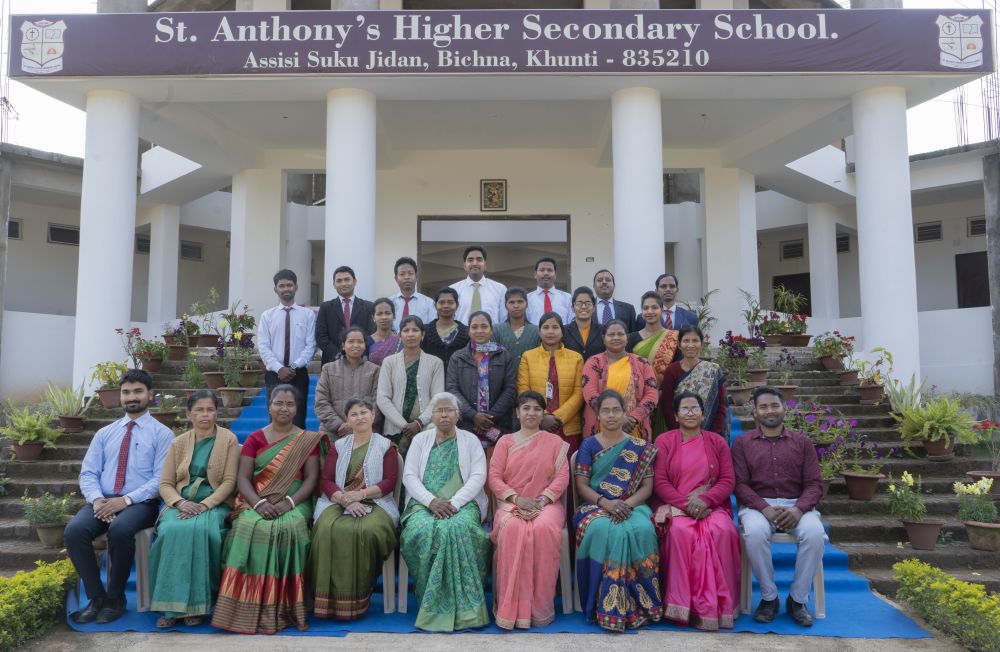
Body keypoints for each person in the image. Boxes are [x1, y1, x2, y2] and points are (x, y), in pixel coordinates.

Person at [211, 385, 323, 634]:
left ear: (297, 409)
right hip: (256, 500)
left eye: (290, 404)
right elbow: (243, 478)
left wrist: (289, 503)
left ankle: (287, 608)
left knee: (290, 526)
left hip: (294, 501)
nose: (284, 408)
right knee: (248, 525)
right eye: (279, 403)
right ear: (269, 406)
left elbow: (311, 479)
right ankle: (242, 607)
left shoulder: (306, 440)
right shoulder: (255, 438)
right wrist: (259, 503)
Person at [67, 369, 175, 625]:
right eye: (126, 392)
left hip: (140, 504)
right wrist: (96, 499)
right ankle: (96, 598)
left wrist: (125, 501)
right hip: (102, 500)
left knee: (120, 530)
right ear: (120, 396)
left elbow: (160, 480)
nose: (131, 397)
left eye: (138, 391)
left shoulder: (162, 434)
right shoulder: (105, 433)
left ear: (150, 394)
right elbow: (89, 473)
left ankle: (115, 599)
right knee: (75, 531)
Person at [731, 386, 826, 628]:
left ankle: (797, 599)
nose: (769, 410)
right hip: (757, 506)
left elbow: (815, 484)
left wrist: (798, 509)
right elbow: (740, 485)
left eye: (774, 405)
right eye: (763, 406)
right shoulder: (742, 444)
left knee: (815, 534)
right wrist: (763, 508)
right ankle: (769, 597)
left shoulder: (803, 443)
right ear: (754, 410)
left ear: (784, 408)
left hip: (797, 504)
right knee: (754, 533)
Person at [149, 390, 241, 628]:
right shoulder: (178, 443)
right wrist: (180, 503)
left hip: (214, 504)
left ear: (217, 412)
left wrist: (204, 505)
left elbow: (230, 482)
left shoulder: (229, 439)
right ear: (189, 414)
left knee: (205, 534)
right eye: (199, 410)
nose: (205, 415)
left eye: (210, 409)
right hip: (181, 503)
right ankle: (170, 608)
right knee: (170, 532)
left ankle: (198, 606)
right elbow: (166, 484)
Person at [400, 392, 491, 632]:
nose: (444, 415)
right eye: (439, 410)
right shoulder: (420, 440)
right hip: (423, 504)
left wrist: (455, 503)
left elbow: (478, 476)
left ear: (458, 415)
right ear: (431, 415)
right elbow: (409, 475)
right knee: (424, 529)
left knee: (458, 527)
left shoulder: (470, 440)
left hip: (463, 503)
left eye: (449, 410)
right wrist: (431, 501)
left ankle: (467, 611)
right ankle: (430, 603)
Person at [573, 390, 663, 632]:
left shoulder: (639, 446)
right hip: (596, 504)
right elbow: (581, 486)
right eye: (605, 410)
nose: (611, 415)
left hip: (633, 504)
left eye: (616, 410)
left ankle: (643, 605)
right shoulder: (589, 445)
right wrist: (606, 503)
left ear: (624, 413)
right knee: (602, 528)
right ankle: (602, 605)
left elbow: (647, 487)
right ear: (597, 414)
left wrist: (627, 504)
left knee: (642, 528)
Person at [652, 391, 741, 631]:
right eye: (685, 409)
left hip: (711, 506)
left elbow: (727, 480)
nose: (690, 414)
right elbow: (660, 482)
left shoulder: (717, 441)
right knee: (680, 533)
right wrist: (685, 504)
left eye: (695, 409)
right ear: (676, 415)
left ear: (703, 414)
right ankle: (683, 607)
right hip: (677, 507)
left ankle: (722, 607)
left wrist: (706, 500)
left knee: (723, 531)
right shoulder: (664, 441)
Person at [310, 397, 399, 620]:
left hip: (376, 502)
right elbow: (326, 481)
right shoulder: (338, 447)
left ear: (373, 415)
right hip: (338, 501)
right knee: (326, 529)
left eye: (364, 412)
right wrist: (345, 499)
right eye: (354, 414)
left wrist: (360, 495)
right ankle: (326, 602)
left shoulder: (386, 446)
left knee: (365, 531)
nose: (360, 417)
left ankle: (357, 599)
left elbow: (389, 481)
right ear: (347, 419)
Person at [488, 390, 570, 630]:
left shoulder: (554, 443)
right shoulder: (505, 442)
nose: (531, 413)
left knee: (543, 527)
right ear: (517, 412)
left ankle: (539, 608)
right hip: (512, 502)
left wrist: (541, 501)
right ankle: (511, 609)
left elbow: (562, 477)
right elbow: (494, 477)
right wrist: (516, 499)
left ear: (543, 413)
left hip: (547, 504)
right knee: (513, 527)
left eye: (536, 408)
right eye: (526, 408)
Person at [517, 312, 584, 458]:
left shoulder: (576, 358)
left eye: (555, 327)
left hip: (567, 425)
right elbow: (523, 391)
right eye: (546, 327)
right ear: (539, 332)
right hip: (536, 424)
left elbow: (579, 393)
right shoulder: (528, 356)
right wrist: (543, 417)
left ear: (562, 332)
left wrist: (557, 417)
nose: (550, 331)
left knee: (565, 470)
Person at [446, 311, 516, 447]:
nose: (479, 331)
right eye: (474, 327)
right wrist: (474, 416)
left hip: (498, 423)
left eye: (484, 326)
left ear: (491, 330)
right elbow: (452, 389)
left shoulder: (503, 355)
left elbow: (510, 389)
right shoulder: (458, 357)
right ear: (468, 331)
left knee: (496, 465)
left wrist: (489, 418)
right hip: (467, 424)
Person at [377, 315, 445, 456]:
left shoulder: (435, 363)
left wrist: (419, 423)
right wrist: (404, 426)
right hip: (395, 430)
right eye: (406, 330)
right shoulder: (389, 362)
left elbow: (437, 398)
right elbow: (382, 398)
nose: (410, 334)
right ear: (399, 335)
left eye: (415, 330)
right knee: (396, 470)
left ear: (423, 335)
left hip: (426, 428)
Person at [257, 269, 317, 429]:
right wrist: (279, 368)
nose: (286, 289)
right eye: (281, 285)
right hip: (274, 374)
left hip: (298, 374)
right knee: (276, 418)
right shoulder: (267, 316)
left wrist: (293, 367)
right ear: (275, 289)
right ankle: (277, 453)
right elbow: (263, 346)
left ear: (296, 287)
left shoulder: (308, 315)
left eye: (289, 285)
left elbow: (311, 345)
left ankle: (299, 453)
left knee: (298, 418)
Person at [581, 320, 659, 441]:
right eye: (611, 335)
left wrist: (633, 418)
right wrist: (615, 418)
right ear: (603, 338)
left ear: (626, 337)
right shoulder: (594, 362)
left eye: (620, 334)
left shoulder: (641, 363)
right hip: (599, 427)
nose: (616, 338)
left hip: (634, 426)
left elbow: (652, 394)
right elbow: (590, 393)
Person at [659, 325, 729, 438]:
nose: (690, 345)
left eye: (695, 341)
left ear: (701, 344)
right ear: (679, 345)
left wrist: (712, 434)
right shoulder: (672, 370)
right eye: (686, 341)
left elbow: (721, 406)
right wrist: (680, 434)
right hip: (681, 435)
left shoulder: (713, 369)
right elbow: (667, 406)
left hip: (711, 434)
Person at [314, 326, 382, 439]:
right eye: (351, 341)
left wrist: (356, 425)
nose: (355, 345)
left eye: (360, 342)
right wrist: (339, 425)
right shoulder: (329, 369)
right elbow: (321, 402)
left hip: (365, 433)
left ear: (365, 345)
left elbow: (378, 404)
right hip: (333, 432)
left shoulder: (374, 370)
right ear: (343, 345)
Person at [316, 265, 376, 365]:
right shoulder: (325, 307)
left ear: (354, 281)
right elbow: (321, 336)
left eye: (347, 279)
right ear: (334, 285)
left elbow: (371, 334)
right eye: (339, 281)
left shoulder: (369, 307)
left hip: (362, 361)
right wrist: (338, 355)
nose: (343, 283)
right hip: (332, 362)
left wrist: (358, 354)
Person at [628, 290, 680, 387]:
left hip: (666, 391)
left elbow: (677, 369)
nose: (650, 311)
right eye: (646, 308)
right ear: (642, 311)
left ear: (662, 310)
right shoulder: (630, 338)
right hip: (638, 391)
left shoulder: (673, 337)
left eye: (654, 307)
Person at [450, 245, 507, 324]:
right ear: (465, 265)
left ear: (485, 264)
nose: (475, 263)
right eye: (470, 260)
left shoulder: (500, 289)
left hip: (492, 335)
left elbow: (504, 319)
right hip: (461, 335)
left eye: (479, 259)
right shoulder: (453, 290)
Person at [492, 286, 540, 371]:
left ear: (527, 304)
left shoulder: (536, 331)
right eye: (511, 302)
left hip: (530, 380)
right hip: (503, 381)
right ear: (505, 305)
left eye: (520, 301)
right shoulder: (496, 330)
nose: (516, 306)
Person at [421, 287, 470, 369]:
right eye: (441, 302)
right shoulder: (425, 331)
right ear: (435, 305)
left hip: (459, 380)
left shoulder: (466, 332)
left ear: (457, 305)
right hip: (432, 379)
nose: (446, 306)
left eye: (450, 302)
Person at [389, 256, 436, 331]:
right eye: (402, 274)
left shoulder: (429, 303)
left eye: (410, 273)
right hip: (393, 342)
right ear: (396, 278)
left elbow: (432, 328)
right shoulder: (389, 303)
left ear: (416, 276)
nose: (407, 277)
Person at [562, 286, 605, 361]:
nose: (584, 307)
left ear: (594, 308)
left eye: (588, 303)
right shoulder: (564, 331)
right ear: (572, 308)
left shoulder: (603, 330)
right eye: (579, 303)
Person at [525, 257, 573, 324]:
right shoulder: (526, 299)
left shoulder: (567, 298)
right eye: (542, 270)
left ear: (555, 275)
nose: (546, 273)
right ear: (535, 275)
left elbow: (571, 323)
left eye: (550, 270)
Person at [367, 297, 403, 366]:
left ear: (394, 316)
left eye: (387, 313)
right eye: (379, 314)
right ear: (373, 318)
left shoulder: (400, 340)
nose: (384, 317)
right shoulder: (367, 342)